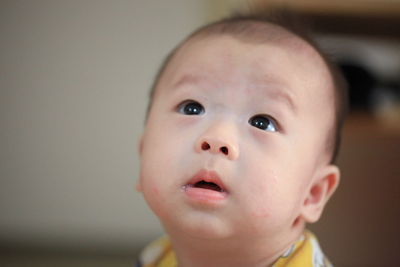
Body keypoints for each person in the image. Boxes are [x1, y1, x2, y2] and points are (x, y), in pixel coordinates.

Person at [136, 11, 348, 267]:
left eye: (263, 122)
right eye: (191, 107)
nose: (216, 138)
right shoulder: (156, 257)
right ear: (143, 152)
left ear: (312, 194)